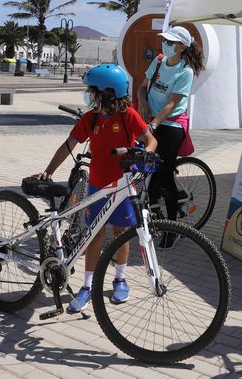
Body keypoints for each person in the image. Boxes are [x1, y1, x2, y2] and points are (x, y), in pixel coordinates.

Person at [37, 63, 157, 313]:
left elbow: (150, 140)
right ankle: (87, 286)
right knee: (95, 235)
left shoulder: (128, 116)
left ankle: (120, 279)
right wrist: (49, 170)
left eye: (92, 91)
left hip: (122, 186)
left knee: (121, 233)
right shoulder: (89, 119)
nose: (89, 95)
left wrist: (145, 154)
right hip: (97, 186)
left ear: (106, 93)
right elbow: (69, 145)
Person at [136, 26, 205, 249]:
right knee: (147, 172)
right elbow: (142, 88)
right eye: (165, 40)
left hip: (171, 123)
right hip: (151, 120)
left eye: (170, 41)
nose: (165, 44)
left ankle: (173, 227)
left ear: (182, 46)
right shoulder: (157, 61)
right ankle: (154, 217)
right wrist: (144, 103)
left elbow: (172, 103)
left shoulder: (185, 71)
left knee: (163, 175)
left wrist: (154, 124)